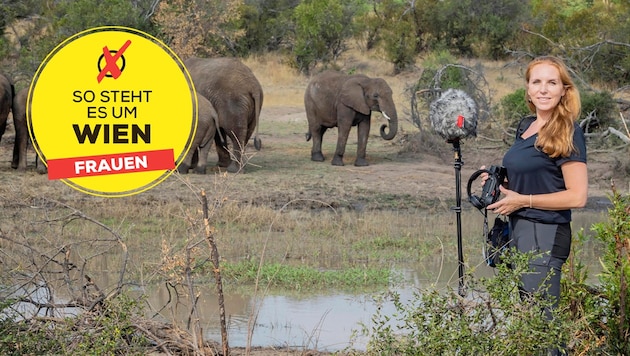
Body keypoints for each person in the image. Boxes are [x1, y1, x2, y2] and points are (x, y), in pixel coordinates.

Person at [486, 56, 588, 354]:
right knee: (530, 324)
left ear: (563, 90)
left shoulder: (569, 130)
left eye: (552, 82)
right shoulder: (527, 127)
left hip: (546, 233)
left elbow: (577, 196)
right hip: (519, 232)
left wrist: (523, 200)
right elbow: (534, 174)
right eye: (537, 82)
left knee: (545, 329)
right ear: (528, 90)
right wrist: (499, 183)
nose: (544, 89)